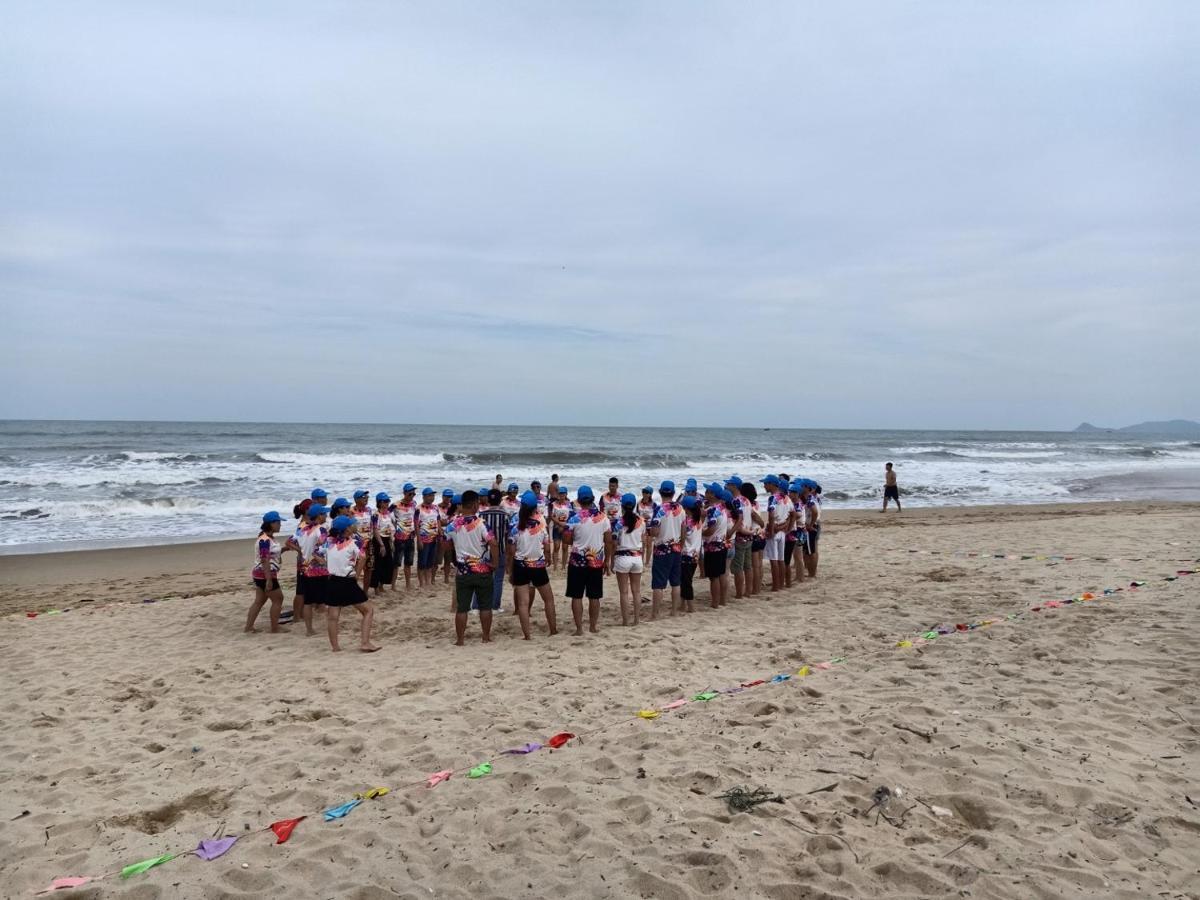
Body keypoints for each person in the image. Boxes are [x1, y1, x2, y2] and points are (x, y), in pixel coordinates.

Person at [444, 490, 499, 645]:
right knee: (485, 606)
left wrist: (455, 551)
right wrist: (494, 563)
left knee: (462, 608)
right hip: (482, 570)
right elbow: (493, 543)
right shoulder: (481, 523)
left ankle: (460, 640)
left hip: (463, 571)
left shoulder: (453, 525)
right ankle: (485, 637)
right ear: (475, 504)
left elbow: (444, 544)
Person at [321, 515, 381, 652]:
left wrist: (327, 563)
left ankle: (335, 647)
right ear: (346, 529)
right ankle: (365, 642)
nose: (354, 526)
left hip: (332, 580)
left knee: (333, 616)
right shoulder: (353, 542)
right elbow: (363, 557)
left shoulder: (328, 542)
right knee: (368, 610)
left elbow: (316, 553)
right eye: (351, 525)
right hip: (347, 581)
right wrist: (357, 574)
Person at [506, 490, 558, 639]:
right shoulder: (541, 525)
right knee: (548, 599)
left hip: (520, 565)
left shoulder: (516, 528)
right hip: (537, 565)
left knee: (523, 603)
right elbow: (547, 546)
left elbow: (511, 551)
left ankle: (527, 635)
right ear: (535, 508)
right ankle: (553, 630)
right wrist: (548, 558)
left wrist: (510, 570)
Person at [562, 485, 612, 635]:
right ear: (592, 499)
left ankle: (579, 629)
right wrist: (607, 561)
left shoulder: (574, 518)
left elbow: (566, 540)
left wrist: (577, 541)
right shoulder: (603, 517)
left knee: (576, 596)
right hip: (596, 561)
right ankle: (593, 626)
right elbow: (608, 540)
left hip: (577, 561)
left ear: (578, 500)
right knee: (594, 596)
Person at [285, 503, 329, 636]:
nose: (326, 515)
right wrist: (318, 557)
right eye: (324, 513)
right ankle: (331, 625)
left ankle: (309, 630)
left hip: (305, 569)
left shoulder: (302, 529)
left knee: (308, 601)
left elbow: (288, 542)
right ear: (319, 516)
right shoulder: (321, 530)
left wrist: (302, 551)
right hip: (319, 570)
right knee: (329, 598)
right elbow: (322, 546)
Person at [246, 510, 290, 633]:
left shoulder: (268, 538)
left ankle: (248, 627)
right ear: (272, 524)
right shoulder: (264, 540)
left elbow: (271, 555)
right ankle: (275, 627)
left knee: (259, 601)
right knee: (278, 599)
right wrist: (269, 579)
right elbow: (264, 559)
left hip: (260, 574)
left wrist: (285, 549)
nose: (280, 525)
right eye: (278, 522)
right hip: (265, 574)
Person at [648, 480, 683, 618]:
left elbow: (655, 532)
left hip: (662, 549)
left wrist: (650, 531)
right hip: (676, 547)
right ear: (673, 493)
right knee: (675, 582)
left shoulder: (659, 509)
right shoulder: (680, 508)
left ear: (660, 492)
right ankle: (674, 611)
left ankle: (655, 614)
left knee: (658, 584)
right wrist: (682, 544)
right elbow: (684, 529)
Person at [611, 493, 645, 626]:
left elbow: (614, 542)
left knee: (624, 592)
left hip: (623, 557)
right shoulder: (641, 521)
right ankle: (636, 620)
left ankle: (625, 621)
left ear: (622, 506)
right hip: (637, 557)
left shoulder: (619, 522)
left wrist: (612, 559)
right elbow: (643, 538)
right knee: (636, 591)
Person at [479, 488, 511, 613]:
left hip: (484, 551)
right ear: (500, 500)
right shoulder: (505, 516)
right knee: (498, 579)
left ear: (488, 500)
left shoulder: (481, 515)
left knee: (482, 579)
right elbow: (508, 536)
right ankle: (495, 606)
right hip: (501, 549)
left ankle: (478, 606)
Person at [762, 475, 793, 592]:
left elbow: (771, 514)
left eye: (765, 483)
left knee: (773, 560)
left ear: (771, 484)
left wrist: (770, 531)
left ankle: (776, 586)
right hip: (782, 532)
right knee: (781, 559)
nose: (764, 486)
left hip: (774, 530)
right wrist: (785, 527)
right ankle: (780, 584)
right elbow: (792, 514)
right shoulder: (786, 498)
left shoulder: (773, 498)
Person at [701, 483, 729, 607]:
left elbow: (711, 530)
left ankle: (715, 602)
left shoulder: (713, 510)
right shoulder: (722, 508)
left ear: (712, 494)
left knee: (714, 577)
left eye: (707, 491)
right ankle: (722, 600)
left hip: (713, 546)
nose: (705, 493)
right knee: (721, 574)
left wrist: (700, 532)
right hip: (722, 544)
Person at [726, 476, 753, 598]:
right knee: (747, 566)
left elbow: (739, 518)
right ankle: (748, 591)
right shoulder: (746, 500)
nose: (727, 486)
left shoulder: (735, 501)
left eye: (729, 484)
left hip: (740, 536)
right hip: (748, 535)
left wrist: (731, 532)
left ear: (734, 486)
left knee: (738, 568)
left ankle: (739, 594)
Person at [391, 483, 418, 590]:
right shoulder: (396, 505)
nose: (412, 495)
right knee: (396, 563)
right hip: (399, 538)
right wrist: (394, 526)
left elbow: (416, 518)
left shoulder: (414, 504)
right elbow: (384, 514)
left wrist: (416, 530)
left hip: (410, 537)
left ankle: (408, 585)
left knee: (408, 562)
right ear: (405, 493)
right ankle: (393, 586)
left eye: (414, 493)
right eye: (410, 493)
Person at [679, 495, 703, 613]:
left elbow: (682, 538)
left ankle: (691, 606)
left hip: (686, 554)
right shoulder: (698, 520)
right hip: (695, 554)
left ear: (686, 508)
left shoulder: (686, 522)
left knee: (686, 581)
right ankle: (682, 604)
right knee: (686, 580)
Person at [350, 490, 375, 592]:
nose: (366, 498)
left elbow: (372, 525)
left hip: (369, 542)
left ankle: (365, 592)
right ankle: (353, 592)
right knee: (354, 569)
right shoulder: (351, 511)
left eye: (367, 497)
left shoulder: (369, 510)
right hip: (356, 544)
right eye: (363, 497)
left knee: (369, 569)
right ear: (356, 499)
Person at [415, 488, 442, 587]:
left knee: (430, 562)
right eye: (430, 496)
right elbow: (416, 524)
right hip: (423, 538)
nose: (432, 498)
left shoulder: (435, 508)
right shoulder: (418, 509)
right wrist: (418, 540)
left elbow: (438, 520)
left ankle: (428, 581)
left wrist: (440, 532)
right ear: (424, 497)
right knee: (422, 562)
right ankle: (421, 583)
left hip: (434, 538)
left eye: (433, 496)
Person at [371, 492, 395, 594]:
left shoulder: (388, 513)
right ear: (380, 502)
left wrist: (391, 542)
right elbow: (375, 530)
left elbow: (390, 528)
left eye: (388, 501)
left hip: (387, 539)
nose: (388, 503)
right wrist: (381, 545)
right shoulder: (376, 515)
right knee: (378, 564)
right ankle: (376, 587)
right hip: (378, 540)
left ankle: (382, 585)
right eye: (385, 501)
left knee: (388, 563)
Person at [549, 485, 575, 569]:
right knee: (556, 547)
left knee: (565, 547)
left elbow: (571, 516)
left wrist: (564, 525)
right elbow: (552, 516)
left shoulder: (569, 504)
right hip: (556, 528)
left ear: (566, 494)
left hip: (566, 528)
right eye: (560, 493)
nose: (561, 495)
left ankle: (563, 566)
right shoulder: (553, 504)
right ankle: (555, 567)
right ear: (557, 494)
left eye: (563, 493)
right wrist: (560, 524)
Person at [802, 482, 822, 578]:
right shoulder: (810, 498)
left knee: (811, 551)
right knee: (809, 550)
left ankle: (812, 574)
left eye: (803, 486)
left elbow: (815, 512)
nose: (801, 488)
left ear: (808, 488)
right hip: (812, 525)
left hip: (811, 527)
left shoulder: (810, 499)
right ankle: (811, 573)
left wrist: (811, 524)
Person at [439, 489, 457, 584]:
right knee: (438, 559)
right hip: (442, 535)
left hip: (452, 535)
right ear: (443, 497)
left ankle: (446, 578)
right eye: (447, 496)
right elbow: (439, 521)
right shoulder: (437, 507)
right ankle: (434, 578)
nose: (448, 499)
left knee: (449, 559)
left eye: (450, 497)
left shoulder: (453, 507)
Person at [637, 486, 657, 564]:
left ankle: (647, 562)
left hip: (650, 526)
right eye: (643, 492)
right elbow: (636, 514)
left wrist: (649, 517)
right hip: (641, 526)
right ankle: (641, 561)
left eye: (646, 492)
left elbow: (656, 516)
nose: (644, 494)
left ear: (650, 494)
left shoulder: (654, 504)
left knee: (649, 545)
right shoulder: (639, 503)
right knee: (643, 545)